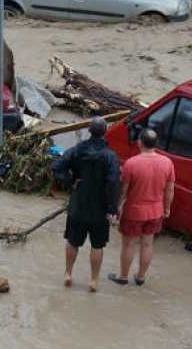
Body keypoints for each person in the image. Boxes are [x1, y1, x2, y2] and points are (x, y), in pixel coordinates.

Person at [51, 117, 120, 292]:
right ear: (105, 132)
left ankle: (68, 273)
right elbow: (113, 182)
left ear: (89, 131)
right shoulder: (110, 156)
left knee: (72, 242)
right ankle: (94, 280)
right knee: (97, 245)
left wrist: (70, 180)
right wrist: (113, 208)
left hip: (78, 205)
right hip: (99, 208)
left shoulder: (76, 150)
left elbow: (56, 166)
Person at [108, 128, 175, 286]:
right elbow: (170, 189)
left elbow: (123, 191)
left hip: (134, 212)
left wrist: (116, 209)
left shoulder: (131, 163)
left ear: (140, 142)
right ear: (156, 144)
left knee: (129, 244)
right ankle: (140, 277)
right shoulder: (167, 163)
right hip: (156, 211)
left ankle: (123, 277)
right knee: (147, 244)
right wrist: (167, 208)